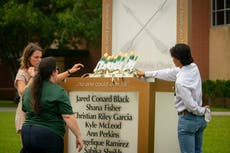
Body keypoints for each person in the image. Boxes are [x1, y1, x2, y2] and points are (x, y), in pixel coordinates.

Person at [137, 43, 209, 153]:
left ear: (178, 59)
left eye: (173, 58)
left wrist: (202, 110)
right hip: (200, 121)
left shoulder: (180, 82)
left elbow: (190, 105)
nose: (172, 60)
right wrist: (146, 73)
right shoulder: (193, 67)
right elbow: (168, 72)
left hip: (188, 120)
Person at [14, 42, 84, 152]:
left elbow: (52, 79)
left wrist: (70, 71)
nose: (39, 60)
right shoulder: (23, 73)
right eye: (36, 57)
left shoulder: (39, 78)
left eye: (40, 57)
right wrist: (33, 77)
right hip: (33, 122)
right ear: (28, 57)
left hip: (29, 129)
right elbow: (23, 91)